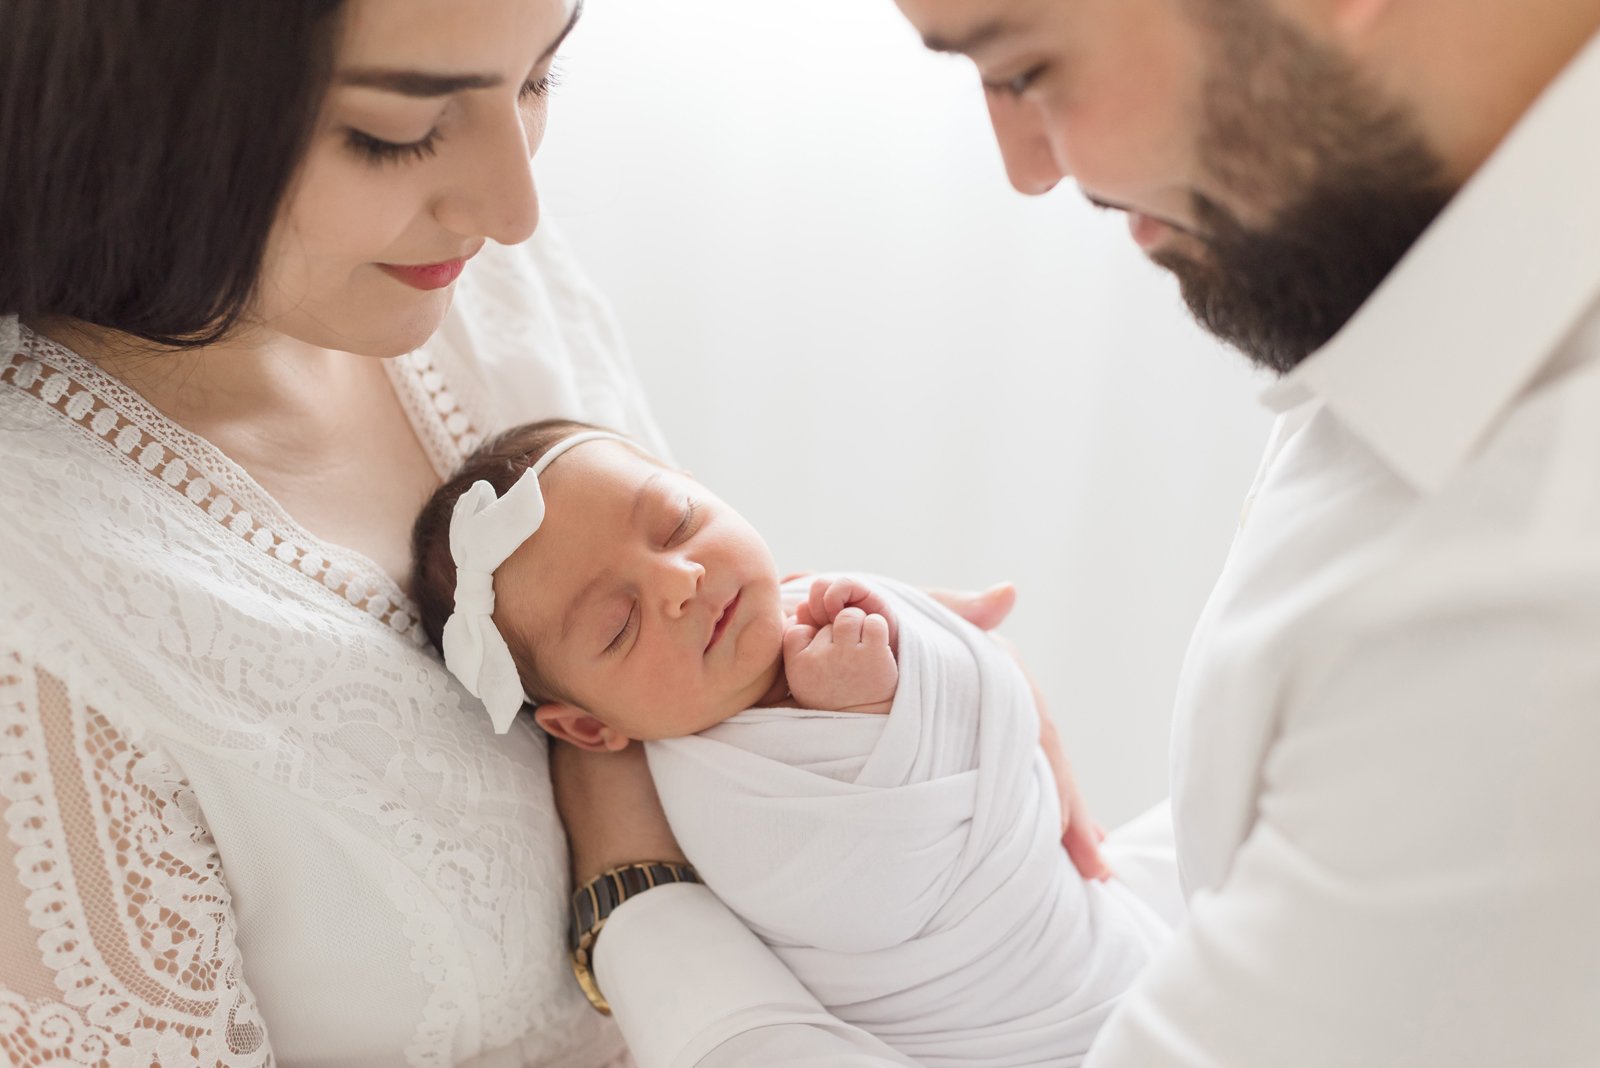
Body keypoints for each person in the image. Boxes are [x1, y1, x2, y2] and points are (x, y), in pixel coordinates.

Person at [0, 3, 1077, 1064]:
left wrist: (902, 709)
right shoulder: (41, 613)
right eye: (395, 132)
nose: (514, 206)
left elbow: (670, 618)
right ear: (134, 110)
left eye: (536, 79)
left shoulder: (453, 273)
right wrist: (639, 914)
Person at [554, 0, 1600, 1065]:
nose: (1031, 168)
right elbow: (1297, 892)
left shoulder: (1531, 614)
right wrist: (958, 783)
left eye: (1025, 69)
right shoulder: (1421, 300)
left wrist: (636, 897)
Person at [406, 419, 1169, 1066]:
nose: (681, 578)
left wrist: (938, 645)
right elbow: (876, 891)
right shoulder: (719, 803)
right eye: (619, 625)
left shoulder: (808, 605)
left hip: (1109, 938)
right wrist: (867, 710)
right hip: (1036, 1039)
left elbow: (983, 678)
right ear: (590, 730)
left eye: (676, 522)